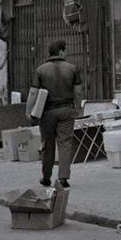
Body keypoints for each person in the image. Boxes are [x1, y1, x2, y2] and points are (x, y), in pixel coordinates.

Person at [33, 39, 83, 188]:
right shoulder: (72, 68)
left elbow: (33, 93)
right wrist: (78, 108)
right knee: (65, 144)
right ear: (61, 52)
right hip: (67, 110)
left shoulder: (40, 70)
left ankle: (46, 177)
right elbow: (78, 92)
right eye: (65, 50)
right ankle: (63, 177)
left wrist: (29, 111)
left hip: (47, 112)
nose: (66, 53)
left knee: (47, 145)